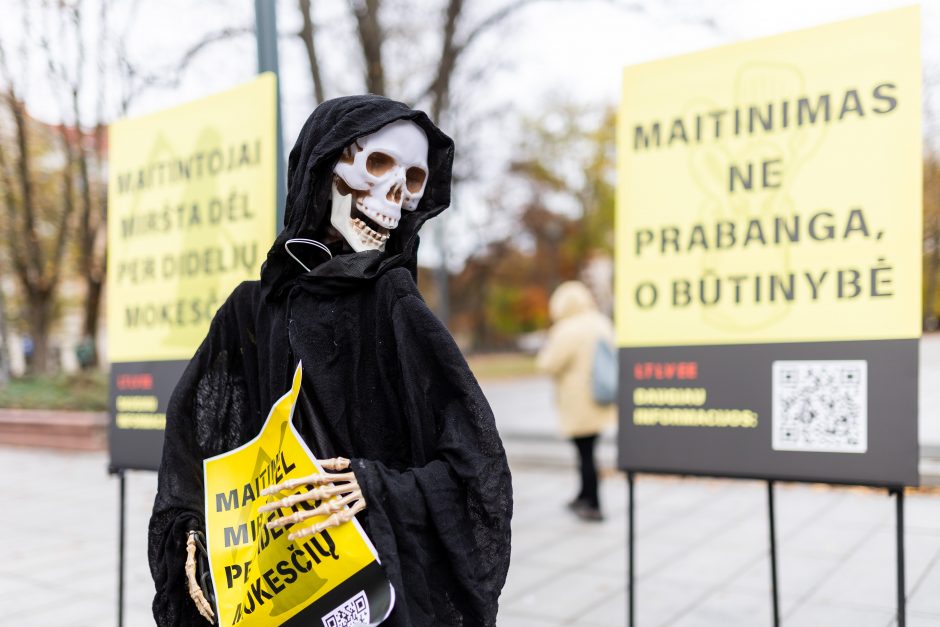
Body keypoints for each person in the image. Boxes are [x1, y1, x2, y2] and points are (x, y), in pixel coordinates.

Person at [148, 95, 513, 626]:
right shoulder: (249, 312)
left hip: (368, 595)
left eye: (413, 180)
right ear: (323, 169)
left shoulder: (393, 304)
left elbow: (476, 471)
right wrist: (194, 540)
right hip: (266, 590)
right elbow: (191, 449)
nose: (394, 195)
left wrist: (373, 484)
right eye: (378, 164)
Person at [536, 280, 615, 521]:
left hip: (579, 401)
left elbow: (547, 364)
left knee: (585, 454)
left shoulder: (567, 329)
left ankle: (593, 504)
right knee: (588, 450)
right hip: (599, 397)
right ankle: (583, 495)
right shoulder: (601, 322)